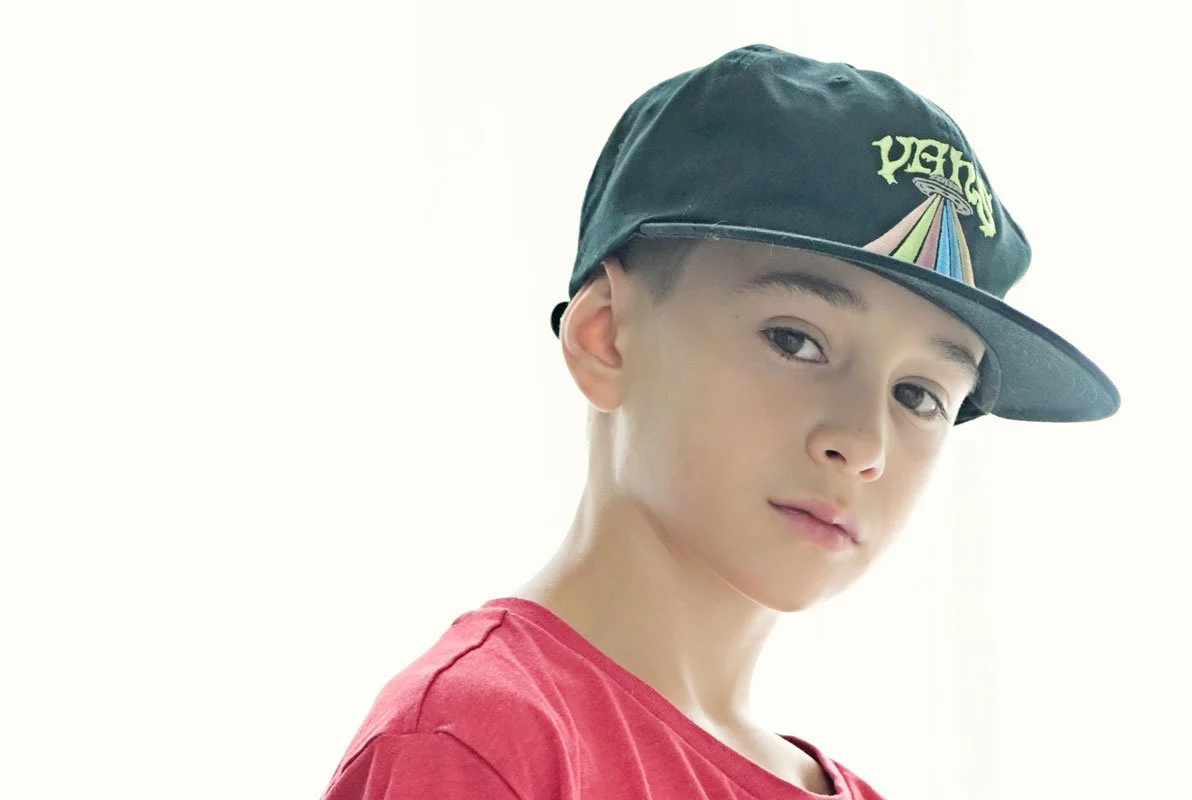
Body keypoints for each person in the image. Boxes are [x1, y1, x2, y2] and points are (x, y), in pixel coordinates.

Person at [319, 43, 1119, 799]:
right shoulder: (479, 744)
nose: (863, 443)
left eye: (919, 396)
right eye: (795, 340)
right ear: (607, 336)